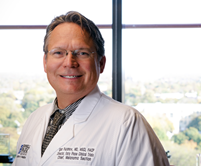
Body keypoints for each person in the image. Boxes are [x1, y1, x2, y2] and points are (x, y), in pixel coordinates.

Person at [12, 11, 170, 166]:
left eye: (82, 53)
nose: (69, 62)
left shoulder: (127, 123)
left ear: (101, 63)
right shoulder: (34, 119)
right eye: (58, 52)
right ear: (45, 62)